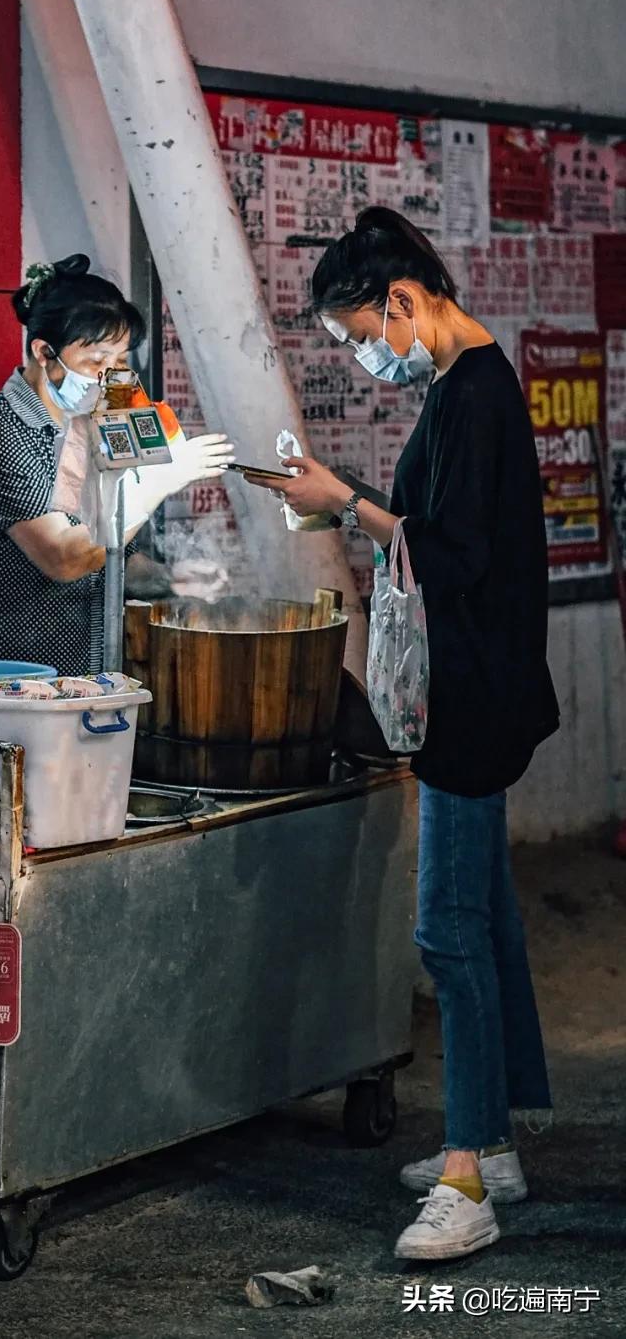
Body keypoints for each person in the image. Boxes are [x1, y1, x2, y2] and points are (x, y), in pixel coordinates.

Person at [261, 206, 558, 1263]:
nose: (365, 356)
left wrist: (344, 503)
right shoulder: (465, 384)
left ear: (401, 300)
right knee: (488, 918)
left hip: (471, 700)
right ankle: (497, 1138)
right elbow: (438, 530)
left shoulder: (473, 393)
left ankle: (469, 1177)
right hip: (481, 686)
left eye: (360, 335)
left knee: (449, 933)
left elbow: (454, 554)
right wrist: (342, 500)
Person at [0, 255, 233, 674]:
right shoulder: (0, 431)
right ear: (44, 352)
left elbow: (109, 556)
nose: (110, 376)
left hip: (83, 672)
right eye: (96, 361)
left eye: (120, 361)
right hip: (0, 675)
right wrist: (159, 482)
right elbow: (64, 557)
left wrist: (171, 578)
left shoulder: (93, 427)